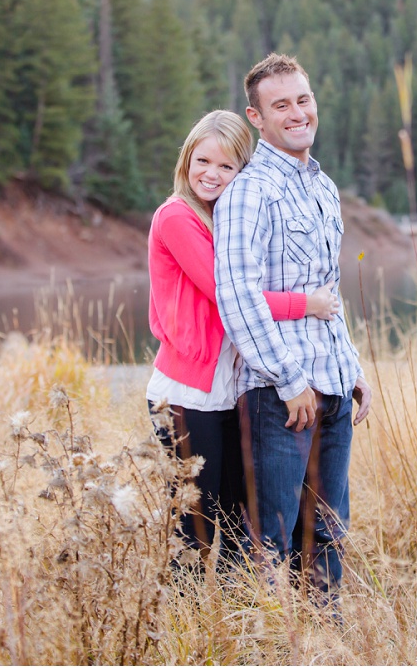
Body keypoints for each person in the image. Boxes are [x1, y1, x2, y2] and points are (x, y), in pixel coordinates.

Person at [146, 109, 340, 562]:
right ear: (186, 161)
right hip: (187, 396)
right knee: (195, 530)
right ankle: (186, 630)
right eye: (202, 161)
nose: (211, 175)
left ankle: (239, 626)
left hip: (229, 392)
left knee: (237, 524)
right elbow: (228, 294)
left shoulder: (228, 221)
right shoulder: (176, 216)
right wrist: (305, 304)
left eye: (226, 166)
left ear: (242, 172)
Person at [213, 53, 373, 602]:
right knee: (270, 543)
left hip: (331, 388)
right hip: (281, 399)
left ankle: (325, 648)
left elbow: (326, 290)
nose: (297, 112)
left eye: (302, 100)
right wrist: (288, 380)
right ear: (257, 117)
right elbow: (238, 297)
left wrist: (350, 366)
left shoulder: (322, 187)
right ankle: (264, 648)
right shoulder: (248, 193)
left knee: (328, 532)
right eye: (280, 105)